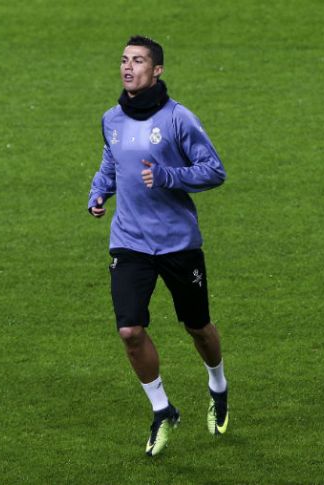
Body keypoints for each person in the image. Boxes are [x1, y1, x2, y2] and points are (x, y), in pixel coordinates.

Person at [87, 35, 229, 457]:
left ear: (158, 70)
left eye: (138, 61)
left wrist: (169, 176)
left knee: (197, 327)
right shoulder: (111, 118)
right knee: (130, 330)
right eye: (124, 60)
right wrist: (99, 192)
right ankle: (162, 409)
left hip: (178, 244)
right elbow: (111, 162)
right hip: (129, 242)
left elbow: (214, 170)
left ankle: (218, 386)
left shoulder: (178, 119)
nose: (128, 67)